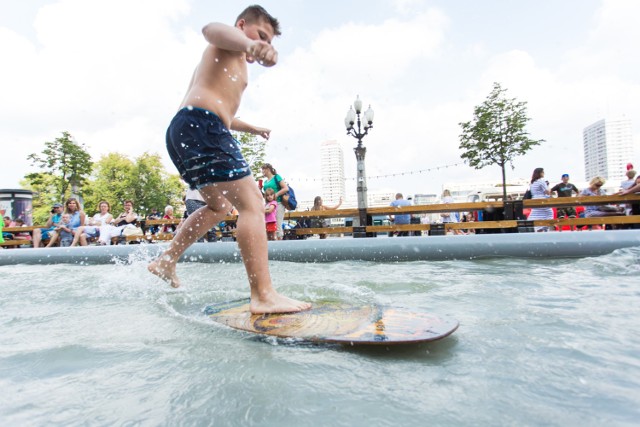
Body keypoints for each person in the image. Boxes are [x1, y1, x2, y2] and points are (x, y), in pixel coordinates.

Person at [147, 5, 310, 314]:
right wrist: (249, 44)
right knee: (253, 205)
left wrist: (254, 128)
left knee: (219, 207)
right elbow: (209, 28)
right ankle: (263, 295)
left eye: (269, 42)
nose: (264, 45)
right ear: (241, 24)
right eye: (261, 35)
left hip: (185, 128)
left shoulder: (231, 62)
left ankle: (166, 260)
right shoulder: (227, 42)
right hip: (202, 124)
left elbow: (227, 115)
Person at [261, 163, 289, 240]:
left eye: (263, 169)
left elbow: (285, 188)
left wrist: (275, 195)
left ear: (268, 169)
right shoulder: (265, 182)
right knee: (269, 226)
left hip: (278, 203)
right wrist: (260, 190)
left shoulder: (276, 177)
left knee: (277, 225)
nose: (262, 171)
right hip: (268, 204)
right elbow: (266, 195)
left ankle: (279, 246)